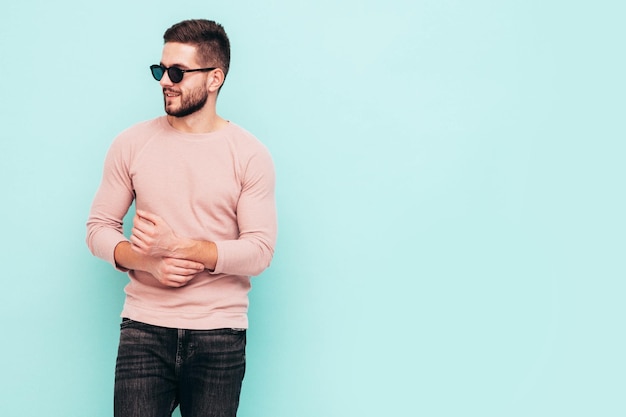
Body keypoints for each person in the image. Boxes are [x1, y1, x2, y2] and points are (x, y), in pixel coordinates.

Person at [86, 19, 277, 417]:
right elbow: (98, 228)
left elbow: (259, 251)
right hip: (143, 329)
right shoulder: (131, 144)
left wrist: (179, 248)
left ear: (214, 79)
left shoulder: (249, 154)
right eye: (160, 70)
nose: (164, 82)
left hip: (219, 334)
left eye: (177, 72)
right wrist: (147, 261)